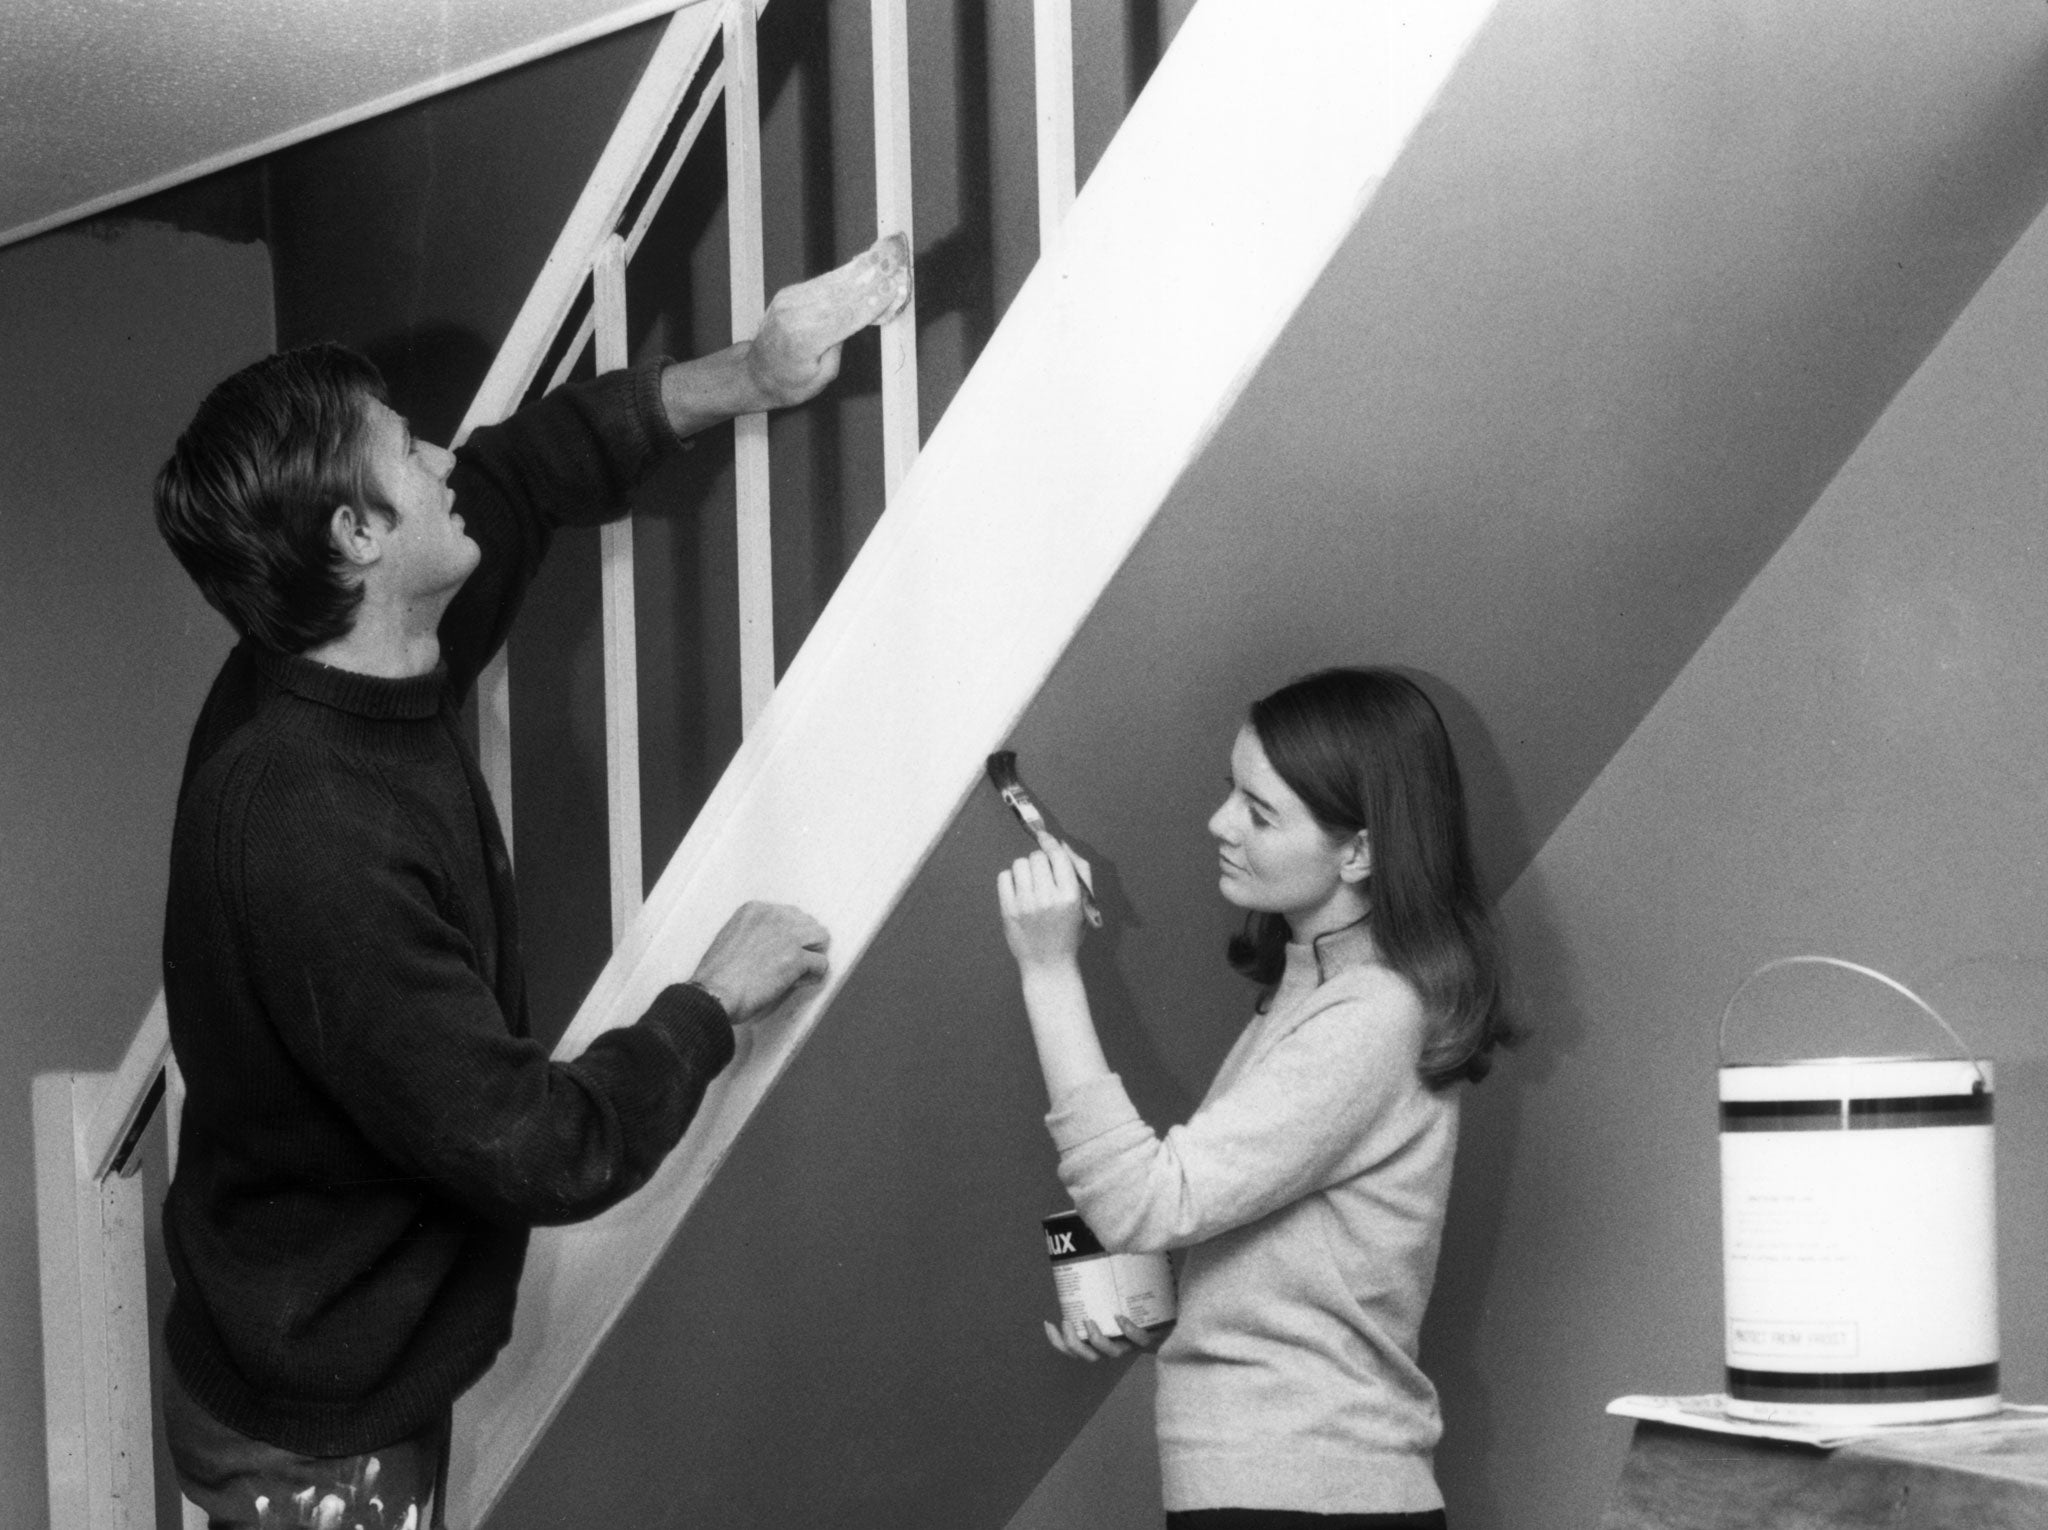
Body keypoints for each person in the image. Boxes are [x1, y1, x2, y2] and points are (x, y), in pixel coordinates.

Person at [150, 238, 909, 1530]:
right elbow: (542, 1145)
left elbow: (523, 468)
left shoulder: (363, 642)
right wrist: (710, 1001)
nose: (448, 458)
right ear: (357, 532)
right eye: (410, 451)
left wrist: (755, 371)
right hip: (307, 1431)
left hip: (336, 1348)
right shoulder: (306, 829)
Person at [995, 668, 1511, 1530]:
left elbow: (1144, 1197)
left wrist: (1047, 970)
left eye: (1260, 812)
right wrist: (1163, 1312)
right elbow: (1298, 1256)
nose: (1219, 824)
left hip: (1307, 1497)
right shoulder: (1310, 991)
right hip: (1281, 1490)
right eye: (1230, 791)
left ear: (1359, 852)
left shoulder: (1370, 1015)